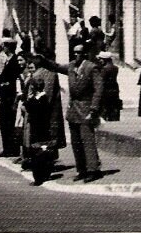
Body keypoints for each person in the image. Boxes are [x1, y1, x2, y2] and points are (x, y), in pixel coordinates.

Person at [42, 43, 105, 182]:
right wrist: (43, 60)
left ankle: (93, 170)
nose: (76, 55)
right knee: (76, 142)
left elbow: (98, 89)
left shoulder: (91, 67)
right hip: (73, 110)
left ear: (85, 54)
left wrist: (94, 109)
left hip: (85, 109)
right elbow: (57, 67)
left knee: (87, 140)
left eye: (79, 52)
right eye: (74, 52)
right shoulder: (71, 67)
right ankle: (81, 169)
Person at [20, 54, 67, 185]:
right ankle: (44, 171)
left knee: (39, 149)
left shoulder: (39, 97)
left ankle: (40, 175)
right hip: (44, 124)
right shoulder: (44, 94)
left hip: (39, 125)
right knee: (44, 147)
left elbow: (32, 106)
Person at [0, 40, 23, 157]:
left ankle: (10, 148)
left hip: (9, 98)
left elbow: (12, 81)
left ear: (7, 48)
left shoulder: (14, 62)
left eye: (4, 46)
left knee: (8, 125)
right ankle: (9, 148)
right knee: (6, 124)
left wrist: (2, 84)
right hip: (6, 97)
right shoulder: (9, 61)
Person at [97, 50, 122, 122]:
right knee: (113, 106)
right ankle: (114, 118)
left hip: (106, 90)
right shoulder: (115, 68)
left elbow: (101, 80)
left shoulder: (104, 69)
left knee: (106, 106)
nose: (100, 61)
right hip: (114, 89)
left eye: (100, 59)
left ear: (105, 59)